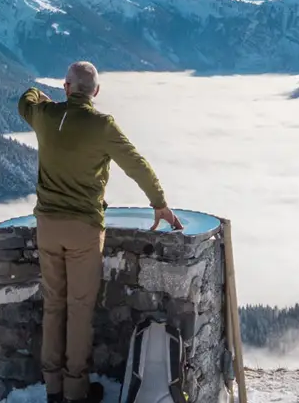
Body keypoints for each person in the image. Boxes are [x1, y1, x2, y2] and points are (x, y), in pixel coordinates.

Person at [19, 60, 183, 403]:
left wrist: (45, 96)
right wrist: (159, 203)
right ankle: (75, 390)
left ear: (66, 87)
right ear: (95, 92)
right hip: (83, 229)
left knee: (53, 306)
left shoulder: (46, 117)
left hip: (47, 226)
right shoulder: (102, 125)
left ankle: (52, 390)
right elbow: (136, 163)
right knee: (79, 310)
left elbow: (26, 100)